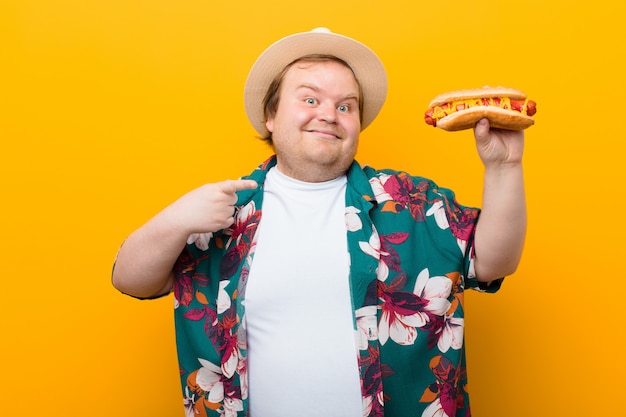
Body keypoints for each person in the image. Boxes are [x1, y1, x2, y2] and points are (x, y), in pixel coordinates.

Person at [112, 27, 526, 417]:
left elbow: (492, 262)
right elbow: (130, 279)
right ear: (270, 116)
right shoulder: (224, 210)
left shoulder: (409, 201)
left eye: (345, 105)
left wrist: (504, 167)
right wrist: (175, 219)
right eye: (310, 99)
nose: (329, 114)